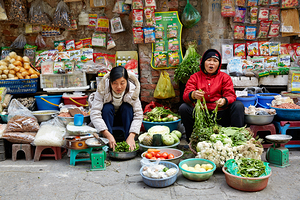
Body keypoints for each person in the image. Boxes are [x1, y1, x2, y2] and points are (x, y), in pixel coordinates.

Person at [179, 49, 244, 142]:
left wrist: (224, 100)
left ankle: (236, 138)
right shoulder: (195, 77)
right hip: (201, 115)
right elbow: (185, 95)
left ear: (219, 64)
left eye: (215, 61)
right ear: (203, 62)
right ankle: (192, 139)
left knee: (238, 105)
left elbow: (231, 95)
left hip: (220, 114)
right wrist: (193, 95)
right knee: (183, 108)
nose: (211, 63)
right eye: (208, 60)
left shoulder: (224, 77)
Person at [89, 66, 143, 151]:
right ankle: (108, 143)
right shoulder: (102, 88)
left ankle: (128, 142)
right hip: (107, 120)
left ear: (127, 81)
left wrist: (132, 135)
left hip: (124, 118)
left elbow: (138, 114)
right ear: (110, 82)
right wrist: (107, 134)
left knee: (127, 108)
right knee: (107, 107)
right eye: (115, 83)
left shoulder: (132, 90)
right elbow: (95, 113)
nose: (119, 87)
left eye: (122, 83)